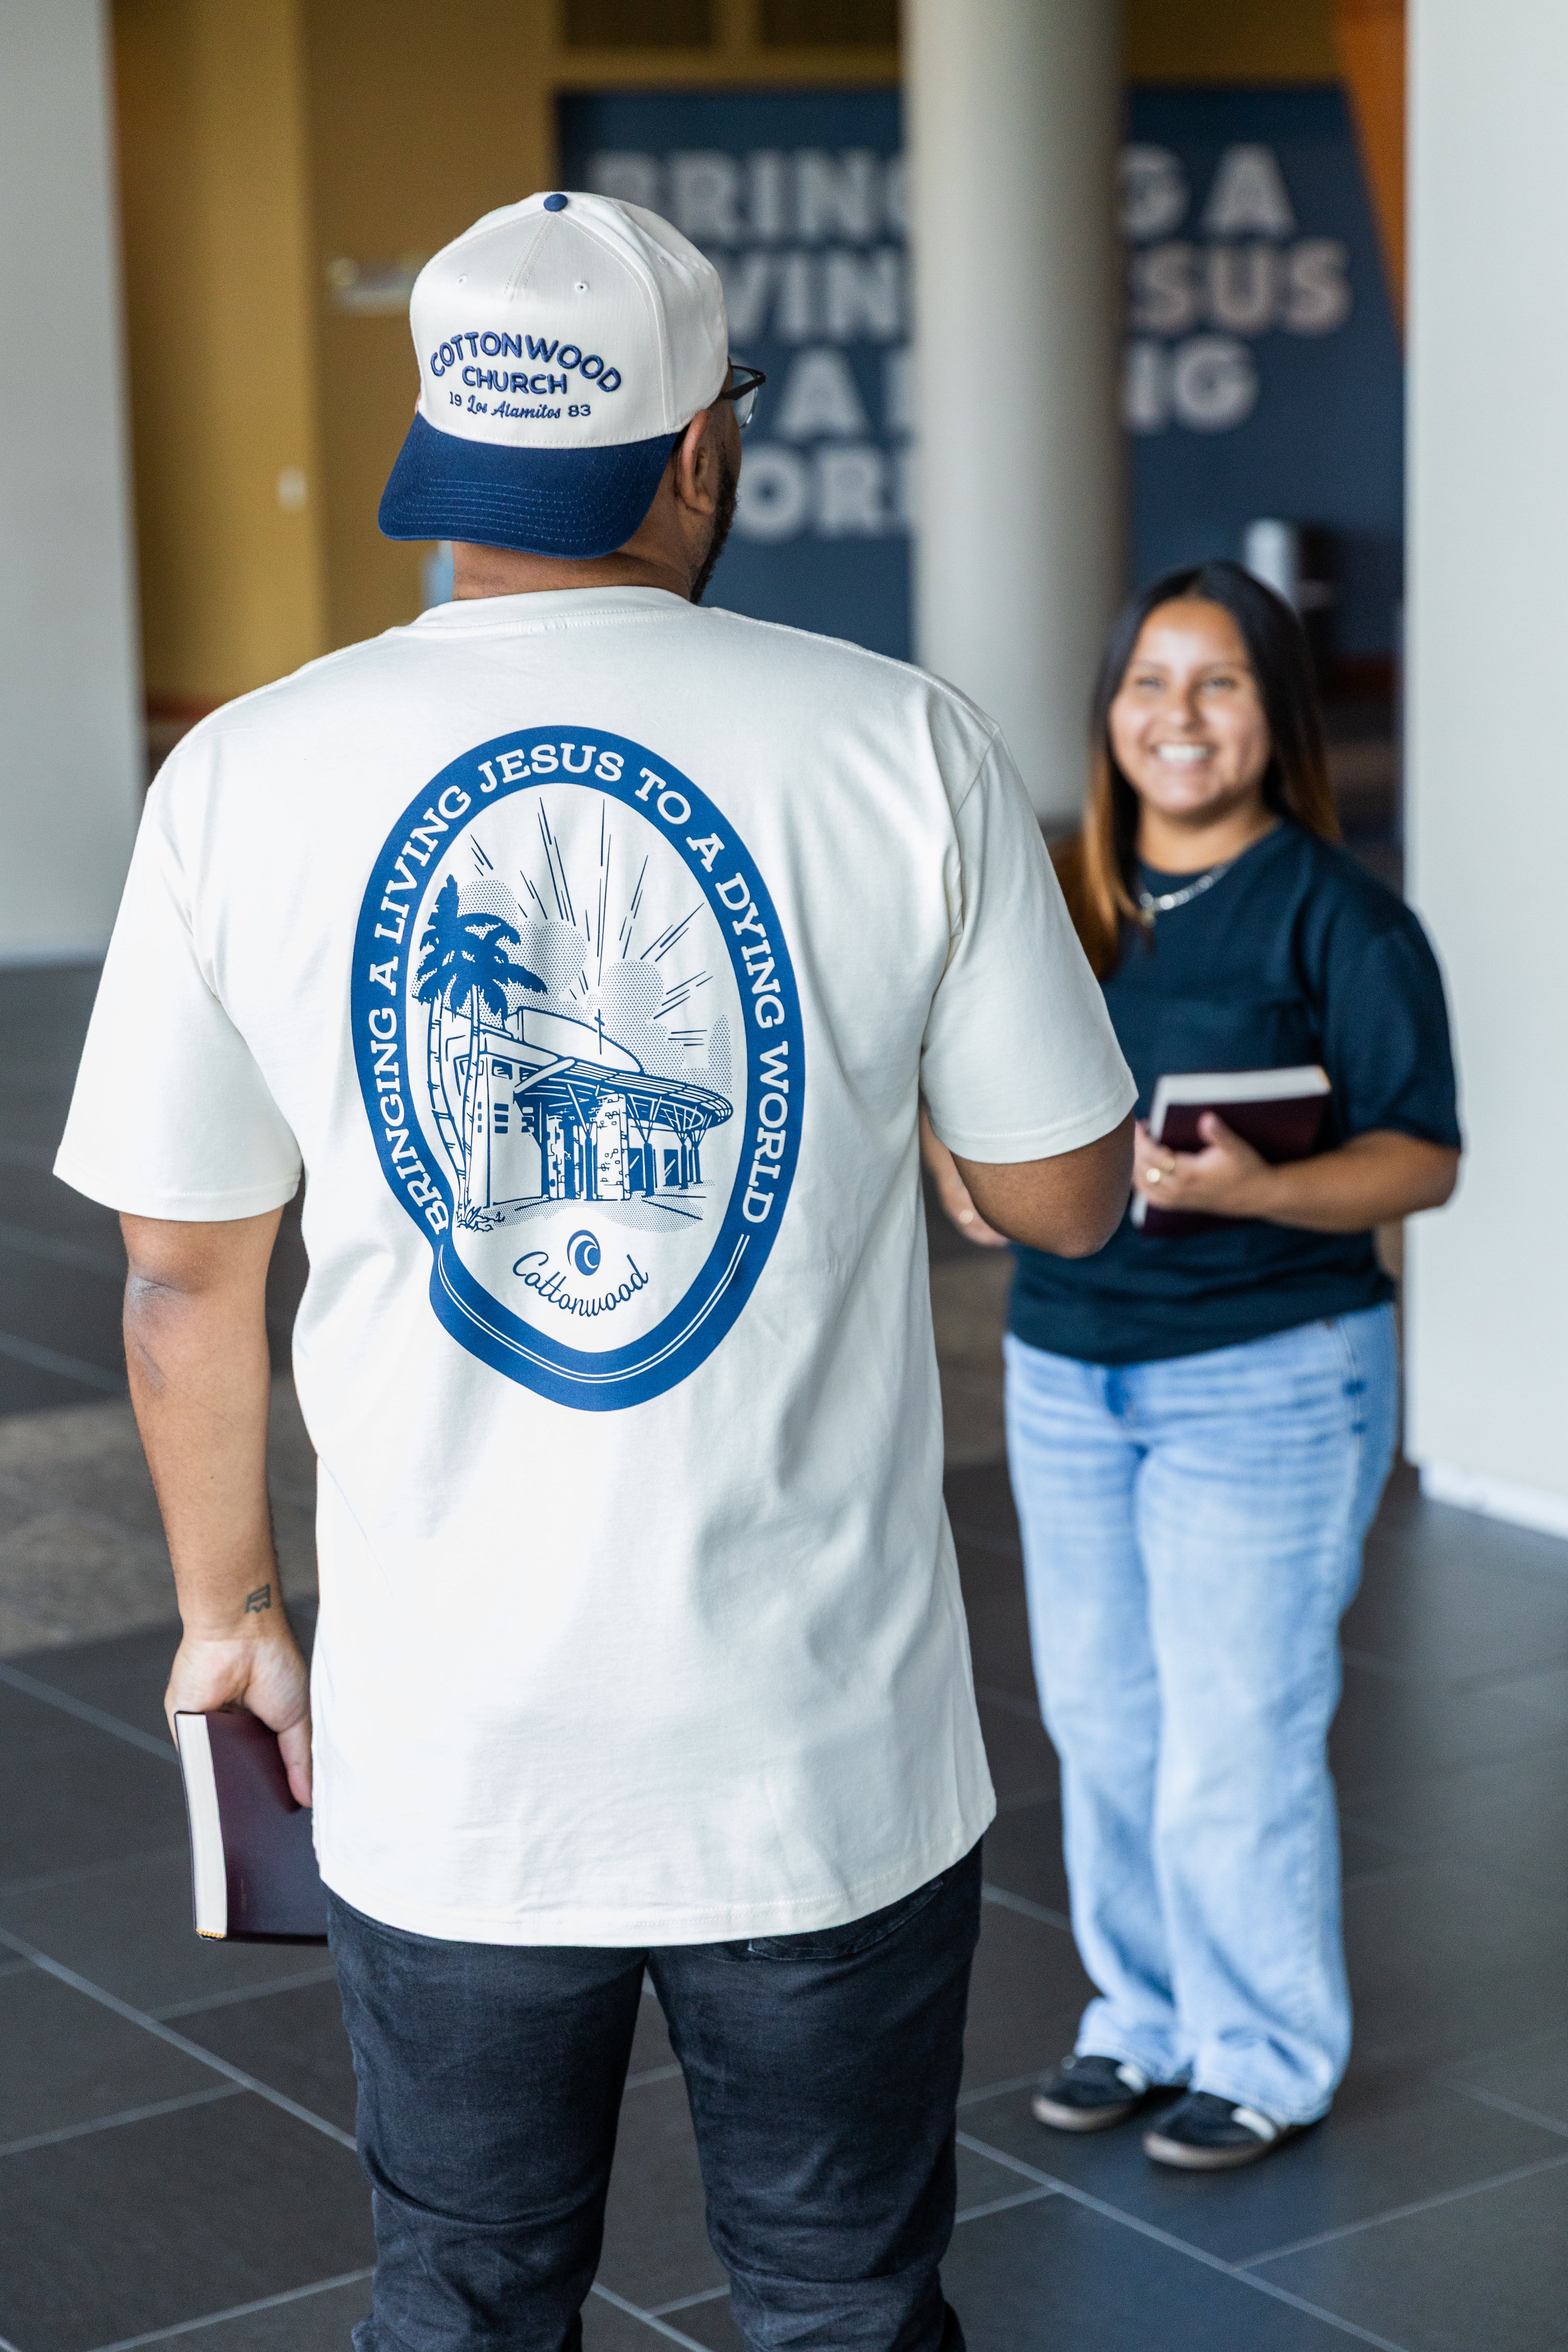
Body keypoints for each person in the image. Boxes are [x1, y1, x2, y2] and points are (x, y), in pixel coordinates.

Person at [57, 192, 1135, 2348]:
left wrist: (230, 1620)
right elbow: (1072, 1201)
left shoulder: (244, 776)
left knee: (462, 2298)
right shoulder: (891, 738)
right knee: (839, 2299)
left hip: (446, 1748)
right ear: (703, 454)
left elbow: (186, 1274)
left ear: (449, 445)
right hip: (818, 1754)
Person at [924, 561, 1460, 2170]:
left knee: (1237, 1735)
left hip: (1274, 1375)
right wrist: (973, 1174)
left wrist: (1260, 1189)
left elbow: (1422, 1161)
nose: (1178, 718)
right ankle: (1141, 2020)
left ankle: (1265, 2052)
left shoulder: (1342, 916)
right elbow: (978, 1119)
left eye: (1219, 684)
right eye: (1150, 684)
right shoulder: (1062, 905)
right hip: (1071, 1368)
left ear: (1276, 716)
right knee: (1105, 1722)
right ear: (1110, 715)